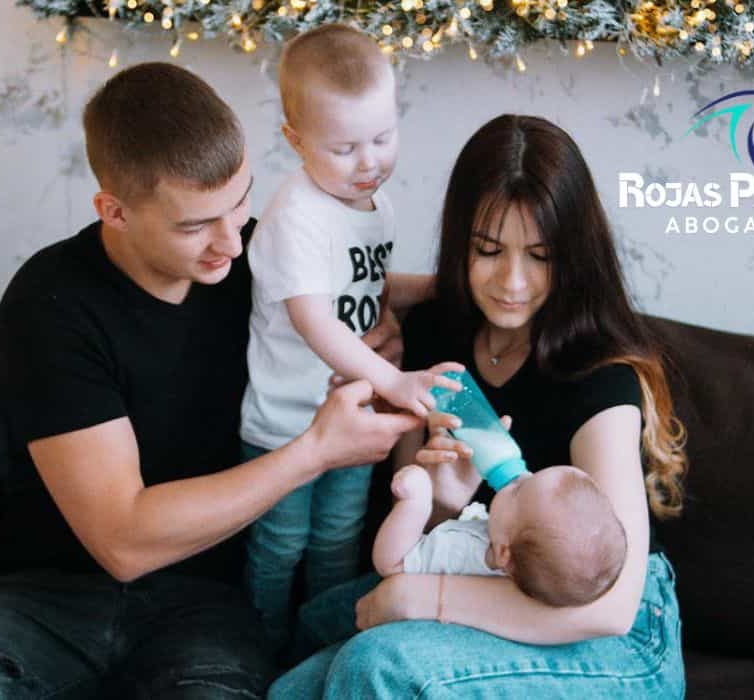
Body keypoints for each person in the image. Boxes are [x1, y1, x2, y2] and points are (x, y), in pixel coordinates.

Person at [0, 62, 429, 699]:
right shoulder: (52, 303)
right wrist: (315, 452)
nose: (231, 244)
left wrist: (377, 319)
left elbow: (346, 288)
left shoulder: (257, 256)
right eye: (194, 225)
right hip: (45, 595)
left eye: (241, 203)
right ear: (114, 211)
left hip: (207, 603)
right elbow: (122, 542)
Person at [270, 114, 690, 698]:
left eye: (540, 256)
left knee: (375, 664)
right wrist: (442, 501)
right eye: (489, 250)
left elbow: (611, 607)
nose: (512, 282)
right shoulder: (436, 336)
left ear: (572, 256)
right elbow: (428, 538)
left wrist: (426, 599)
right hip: (485, 571)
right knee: (310, 643)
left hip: (614, 631)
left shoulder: (600, 377)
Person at [240, 23, 451, 655]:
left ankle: (324, 649)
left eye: (383, 138)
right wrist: (392, 380)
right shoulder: (297, 218)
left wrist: (442, 287)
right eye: (344, 148)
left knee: (339, 538)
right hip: (288, 425)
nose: (369, 163)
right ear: (296, 140)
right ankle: (260, 650)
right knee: (281, 545)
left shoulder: (373, 207)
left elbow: (370, 287)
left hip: (355, 420)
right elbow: (317, 320)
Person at [373, 463, 628, 611]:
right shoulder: (508, 558)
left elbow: (392, 563)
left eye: (519, 489)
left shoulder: (464, 552)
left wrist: (415, 503)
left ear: (504, 552)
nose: (521, 476)